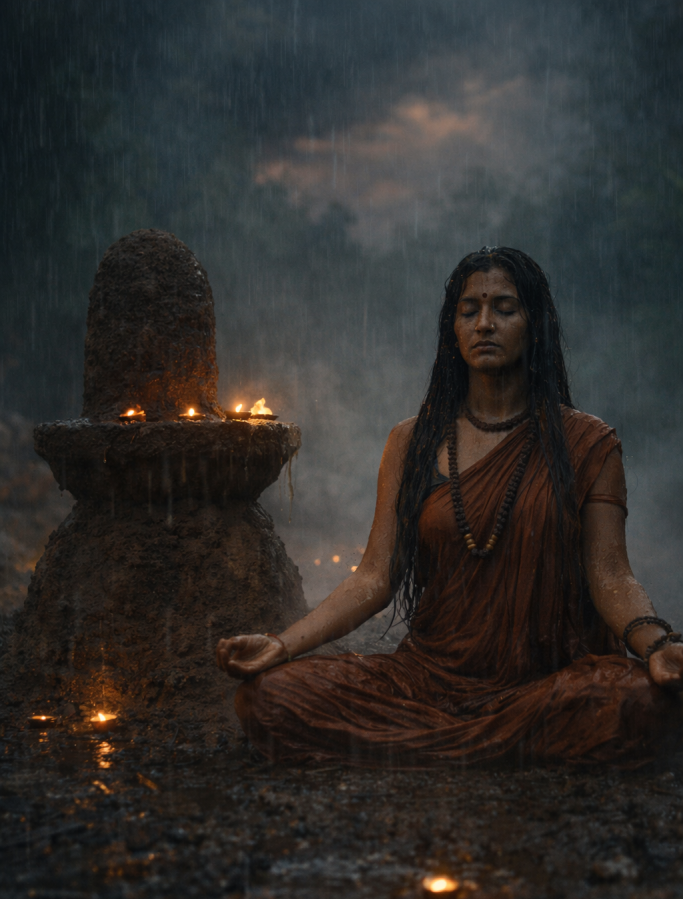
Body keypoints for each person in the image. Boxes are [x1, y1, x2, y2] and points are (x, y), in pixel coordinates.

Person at [216, 246, 683, 767]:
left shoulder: (587, 443)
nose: (485, 324)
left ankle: (437, 747)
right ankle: (503, 747)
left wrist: (657, 646)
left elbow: (612, 576)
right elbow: (374, 577)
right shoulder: (411, 442)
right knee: (269, 698)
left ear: (535, 325)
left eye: (504, 308)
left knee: (650, 702)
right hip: (429, 681)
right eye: (469, 311)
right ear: (453, 330)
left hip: (547, 682)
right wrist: (282, 647)